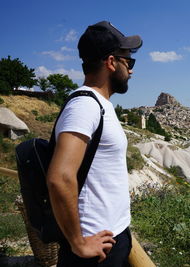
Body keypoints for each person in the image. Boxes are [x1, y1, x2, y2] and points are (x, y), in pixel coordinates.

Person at [46, 21, 142, 266]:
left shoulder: (99, 104)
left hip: (111, 239)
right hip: (95, 250)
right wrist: (78, 243)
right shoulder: (85, 106)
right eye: (128, 62)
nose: (131, 70)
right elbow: (59, 177)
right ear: (111, 62)